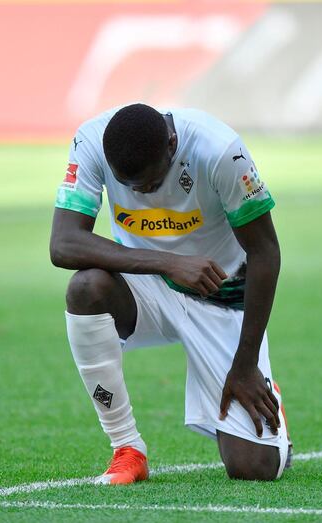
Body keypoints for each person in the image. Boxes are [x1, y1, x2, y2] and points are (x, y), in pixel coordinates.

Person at [49, 103, 291, 484]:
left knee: (253, 468)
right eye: (128, 186)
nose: (140, 193)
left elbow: (265, 252)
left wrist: (245, 364)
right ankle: (127, 447)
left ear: (172, 145)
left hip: (220, 293)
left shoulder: (220, 150)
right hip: (146, 287)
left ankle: (265, 386)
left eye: (148, 183)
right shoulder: (91, 141)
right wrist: (167, 263)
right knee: (85, 288)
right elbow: (63, 244)